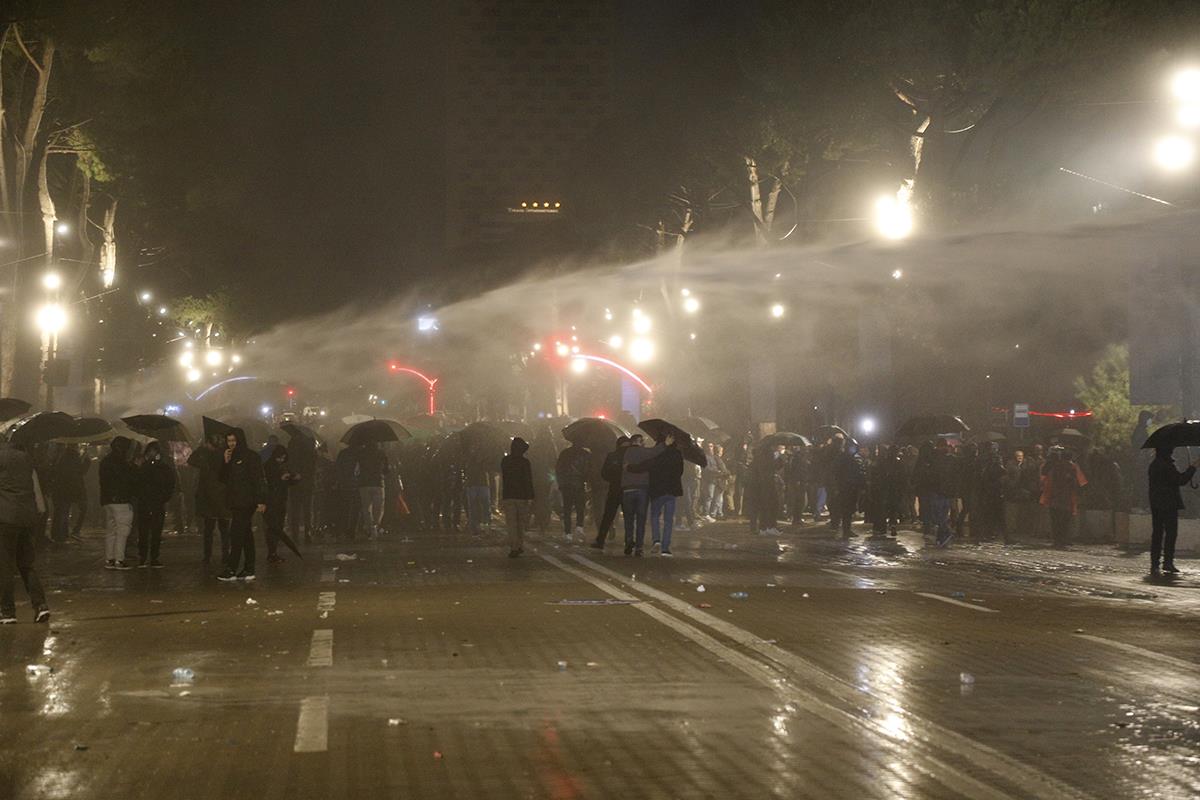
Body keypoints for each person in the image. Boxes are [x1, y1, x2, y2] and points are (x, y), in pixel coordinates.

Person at [0, 439, 49, 624]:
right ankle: (41, 606)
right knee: (27, 564)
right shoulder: (26, 458)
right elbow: (36, 488)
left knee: (5, 566)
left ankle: (7, 612)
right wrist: (40, 509)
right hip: (27, 517)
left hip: (5, 518)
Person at [217, 429, 266, 582]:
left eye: (234, 441)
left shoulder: (251, 457)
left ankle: (232, 568)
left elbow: (257, 479)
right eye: (229, 441)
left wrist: (260, 500)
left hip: (247, 501)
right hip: (235, 501)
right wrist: (225, 462)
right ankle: (249, 569)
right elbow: (223, 478)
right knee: (245, 536)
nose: (231, 444)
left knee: (236, 535)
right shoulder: (230, 457)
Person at [628, 433, 684, 555]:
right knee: (669, 520)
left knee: (654, 516)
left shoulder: (656, 454)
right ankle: (665, 548)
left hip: (657, 490)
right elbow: (680, 472)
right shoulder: (677, 454)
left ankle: (656, 540)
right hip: (672, 490)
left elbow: (645, 466)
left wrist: (630, 467)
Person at [1147, 446, 1198, 576]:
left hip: (1156, 503)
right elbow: (1180, 480)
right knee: (1171, 533)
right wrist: (1193, 467)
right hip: (1169, 504)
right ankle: (1167, 562)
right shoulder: (1167, 466)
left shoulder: (1154, 465)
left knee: (1157, 533)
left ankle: (1155, 563)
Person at [189, 434, 233, 565]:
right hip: (218, 498)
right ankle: (222, 555)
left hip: (213, 498)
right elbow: (192, 460)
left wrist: (202, 448)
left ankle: (210, 556)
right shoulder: (219, 454)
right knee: (221, 530)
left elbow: (192, 460)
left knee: (212, 530)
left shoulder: (209, 456)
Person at [135, 441, 176, 568]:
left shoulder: (160, 468)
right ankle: (144, 556)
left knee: (154, 532)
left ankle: (152, 557)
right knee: (145, 531)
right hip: (147, 503)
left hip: (155, 503)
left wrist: (164, 498)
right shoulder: (147, 467)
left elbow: (170, 484)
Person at [100, 436, 137, 570]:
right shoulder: (122, 463)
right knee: (122, 531)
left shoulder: (105, 461)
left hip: (107, 500)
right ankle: (119, 560)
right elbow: (129, 480)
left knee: (111, 531)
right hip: (121, 500)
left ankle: (109, 559)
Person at [1040, 447, 1087, 548]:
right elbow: (1081, 482)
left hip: (1054, 497)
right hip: (1067, 498)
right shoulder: (1073, 467)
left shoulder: (1054, 466)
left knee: (1056, 520)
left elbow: (1044, 477)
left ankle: (1057, 540)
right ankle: (1064, 539)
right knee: (1066, 520)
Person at [263, 444, 300, 563]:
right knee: (274, 526)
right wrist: (281, 478)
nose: (282, 460)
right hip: (272, 499)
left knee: (278, 525)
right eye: (280, 457)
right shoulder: (269, 466)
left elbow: (287, 482)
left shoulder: (281, 466)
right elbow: (270, 481)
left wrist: (294, 478)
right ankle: (271, 552)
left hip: (281, 499)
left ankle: (273, 552)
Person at [591, 436, 630, 549]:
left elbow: (604, 473)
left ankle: (600, 540)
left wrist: (613, 479)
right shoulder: (631, 456)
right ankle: (629, 542)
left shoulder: (612, 455)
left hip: (614, 489)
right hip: (627, 489)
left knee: (608, 515)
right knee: (628, 517)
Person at [621, 434, 655, 555]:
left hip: (627, 489)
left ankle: (629, 542)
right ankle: (639, 547)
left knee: (628, 519)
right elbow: (653, 456)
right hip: (642, 489)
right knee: (641, 519)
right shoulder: (645, 452)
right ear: (639, 441)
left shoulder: (626, 453)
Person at [500, 437, 534, 557]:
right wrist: (530, 497)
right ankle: (519, 545)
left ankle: (514, 546)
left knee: (511, 523)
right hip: (522, 496)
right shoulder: (525, 462)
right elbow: (528, 480)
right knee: (521, 523)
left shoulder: (505, 461)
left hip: (509, 495)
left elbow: (503, 479)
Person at [49, 444, 88, 544]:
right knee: (64, 512)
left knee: (60, 512)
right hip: (67, 489)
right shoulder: (73, 456)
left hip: (59, 489)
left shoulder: (61, 456)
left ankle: (58, 534)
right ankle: (61, 536)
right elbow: (79, 472)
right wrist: (86, 461)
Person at [554, 440, 590, 540]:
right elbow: (587, 470)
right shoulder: (586, 454)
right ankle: (579, 526)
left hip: (566, 484)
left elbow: (558, 469)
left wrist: (560, 483)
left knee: (567, 508)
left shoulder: (564, 453)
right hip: (579, 483)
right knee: (580, 507)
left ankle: (567, 532)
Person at [354, 442, 390, 541]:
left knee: (366, 508)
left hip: (364, 483)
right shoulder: (381, 453)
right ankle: (376, 526)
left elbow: (357, 469)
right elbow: (387, 469)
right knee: (378, 507)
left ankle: (369, 529)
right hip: (378, 483)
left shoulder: (360, 453)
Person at [287, 434, 317, 543]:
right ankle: (307, 533)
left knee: (295, 510)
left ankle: (295, 534)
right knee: (307, 510)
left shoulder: (292, 455)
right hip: (307, 485)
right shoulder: (311, 454)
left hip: (295, 485)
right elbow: (312, 469)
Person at [463, 450, 492, 535]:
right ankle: (485, 526)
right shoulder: (484, 458)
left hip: (473, 483)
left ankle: (475, 527)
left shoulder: (468, 457)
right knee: (485, 507)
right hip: (481, 483)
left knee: (473, 507)